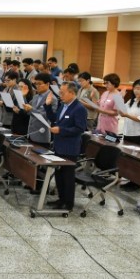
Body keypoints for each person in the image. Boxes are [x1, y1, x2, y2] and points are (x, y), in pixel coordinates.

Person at [44, 82, 88, 211]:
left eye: (63, 93)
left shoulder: (79, 108)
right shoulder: (62, 105)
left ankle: (68, 203)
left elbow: (80, 128)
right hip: (58, 145)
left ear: (72, 93)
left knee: (67, 177)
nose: (60, 95)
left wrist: (61, 130)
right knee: (58, 174)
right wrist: (47, 106)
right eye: (60, 92)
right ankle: (61, 199)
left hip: (70, 147)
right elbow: (54, 119)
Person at [25, 73, 56, 146]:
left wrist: (31, 109)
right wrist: (23, 97)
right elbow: (27, 110)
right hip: (30, 133)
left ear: (47, 84)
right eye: (36, 84)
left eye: (39, 84)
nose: (37, 86)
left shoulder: (52, 98)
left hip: (42, 134)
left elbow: (47, 116)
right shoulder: (35, 96)